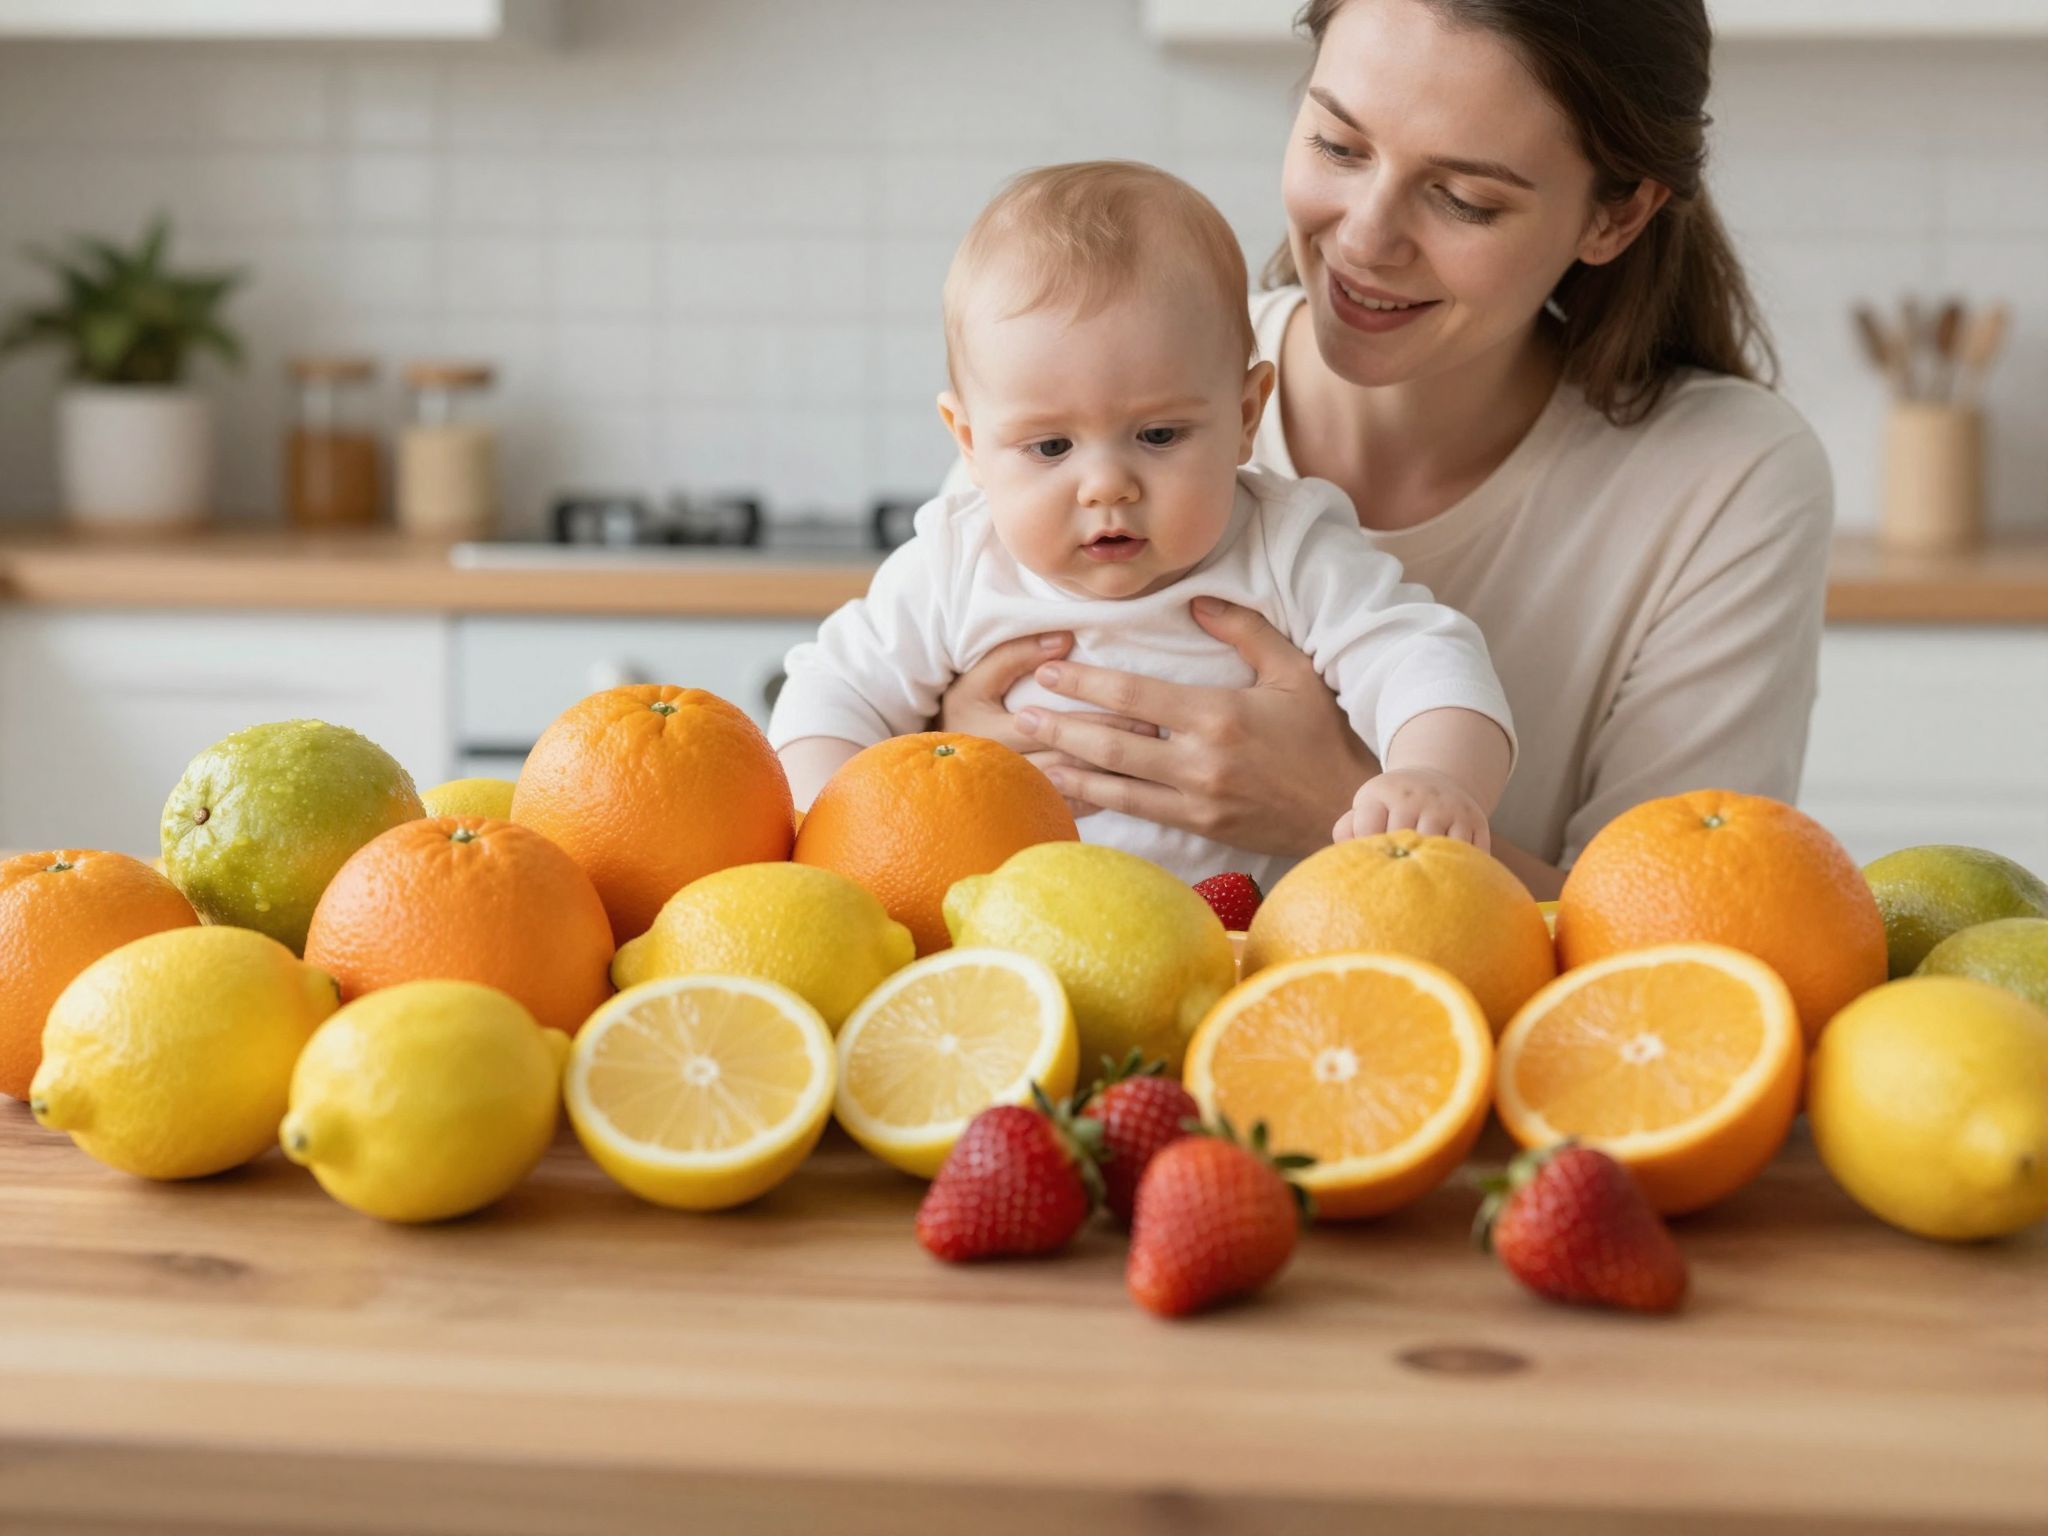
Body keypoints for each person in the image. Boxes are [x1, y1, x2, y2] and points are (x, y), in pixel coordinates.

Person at [936, 0, 1833, 899]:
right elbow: (891, 772)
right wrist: (942, 751)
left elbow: (1681, 937)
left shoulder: (1728, 479)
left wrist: (1335, 804)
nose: (1364, 239)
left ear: (1618, 215)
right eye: (1338, 145)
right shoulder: (1096, 371)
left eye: (1465, 200)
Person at [769, 161, 1514, 889]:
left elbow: (1425, 659)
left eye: (1158, 436)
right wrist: (852, 827)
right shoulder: (958, 562)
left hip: (1245, 947)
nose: (1106, 486)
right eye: (1051, 447)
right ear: (969, 442)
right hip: (1014, 943)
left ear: (1246, 415)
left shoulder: (1286, 547)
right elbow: (831, 693)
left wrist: (1434, 775)